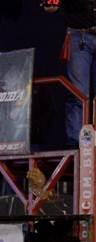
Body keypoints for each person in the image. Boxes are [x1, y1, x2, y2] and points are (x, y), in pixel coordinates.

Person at [43, 0, 96, 147]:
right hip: (79, 35)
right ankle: (76, 144)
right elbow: (50, 5)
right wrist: (50, 4)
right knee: (79, 94)